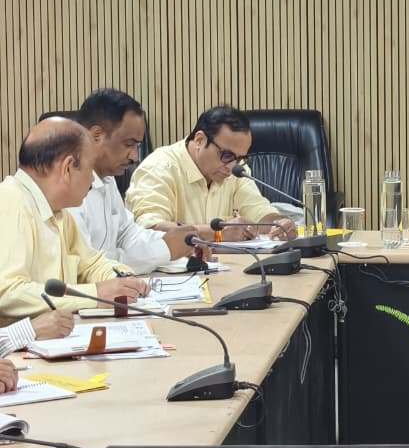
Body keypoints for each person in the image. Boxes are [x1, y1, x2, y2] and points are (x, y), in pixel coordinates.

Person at [0, 118, 148, 343]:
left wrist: (123, 280)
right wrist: (96, 294)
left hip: (57, 339)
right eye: (90, 169)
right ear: (68, 168)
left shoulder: (59, 212)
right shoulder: (10, 203)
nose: (92, 181)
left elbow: (91, 264)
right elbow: (8, 292)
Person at [65, 89, 196, 274]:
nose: (135, 156)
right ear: (96, 136)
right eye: (129, 144)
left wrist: (180, 242)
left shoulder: (107, 177)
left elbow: (128, 234)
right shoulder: (67, 188)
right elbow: (88, 268)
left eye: (137, 146)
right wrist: (164, 250)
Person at [126, 106, 297, 241]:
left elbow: (258, 211)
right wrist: (217, 234)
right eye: (227, 156)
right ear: (200, 140)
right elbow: (149, 230)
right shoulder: (158, 168)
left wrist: (278, 224)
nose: (232, 167)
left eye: (240, 158)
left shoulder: (236, 171)